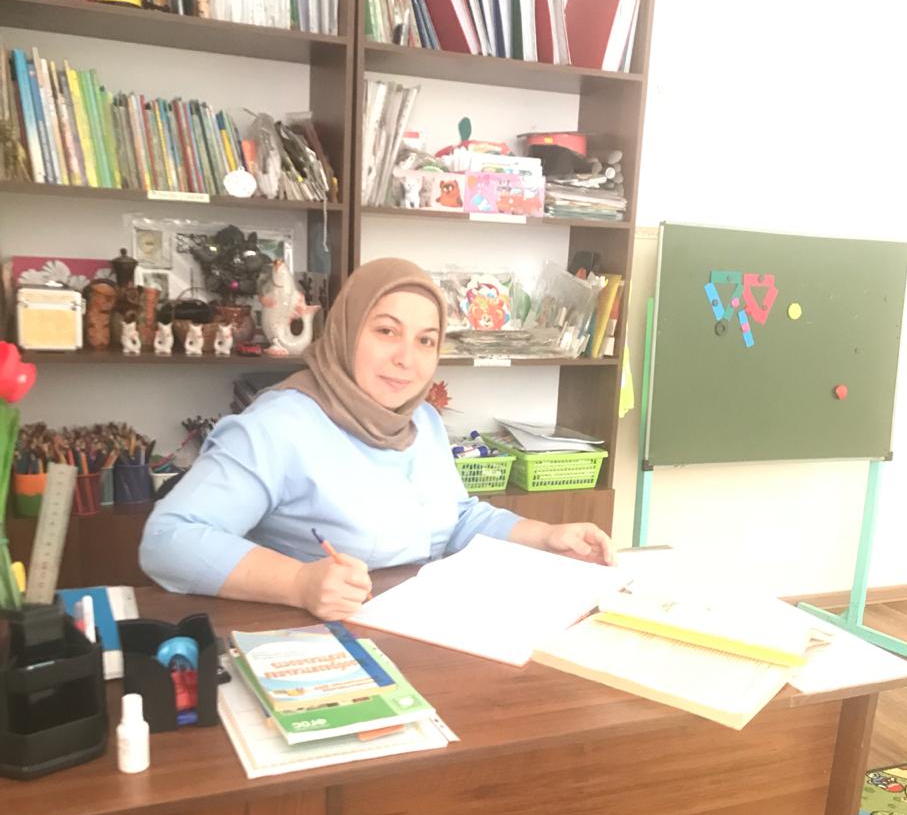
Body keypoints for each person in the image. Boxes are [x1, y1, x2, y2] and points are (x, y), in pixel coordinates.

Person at [139, 257, 614, 620]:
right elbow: (168, 539)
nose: (407, 358)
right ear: (347, 330)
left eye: (426, 340)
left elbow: (456, 519)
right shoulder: (278, 426)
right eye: (387, 331)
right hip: (320, 641)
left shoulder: (421, 420)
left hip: (422, 632)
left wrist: (548, 536)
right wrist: (300, 583)